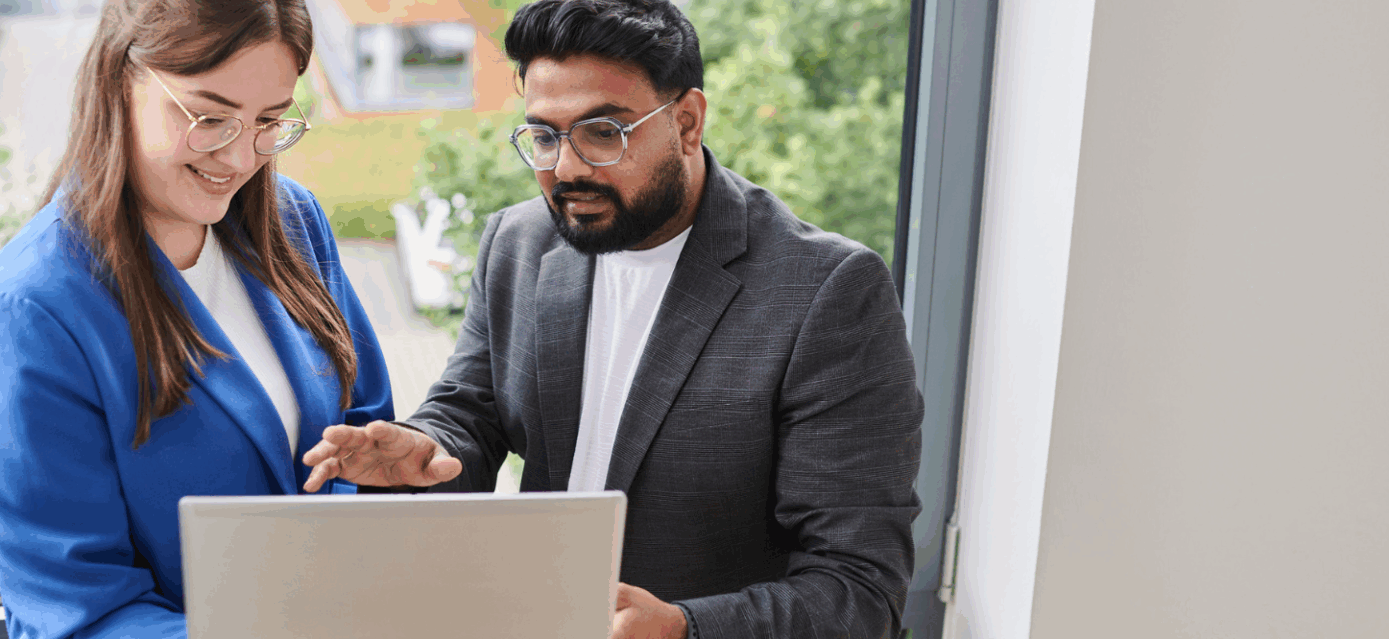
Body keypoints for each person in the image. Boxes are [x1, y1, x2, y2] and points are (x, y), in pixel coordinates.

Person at [301, 0, 925, 637]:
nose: (566, 168)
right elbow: (472, 413)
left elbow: (860, 590)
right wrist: (424, 449)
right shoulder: (519, 242)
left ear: (686, 123)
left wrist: (684, 629)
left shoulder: (827, 291)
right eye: (544, 136)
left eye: (604, 132)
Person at [0, 0, 394, 636]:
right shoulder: (25, 318)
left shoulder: (293, 221)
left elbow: (363, 429)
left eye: (268, 121)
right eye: (209, 118)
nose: (240, 161)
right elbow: (79, 613)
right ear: (120, 81)